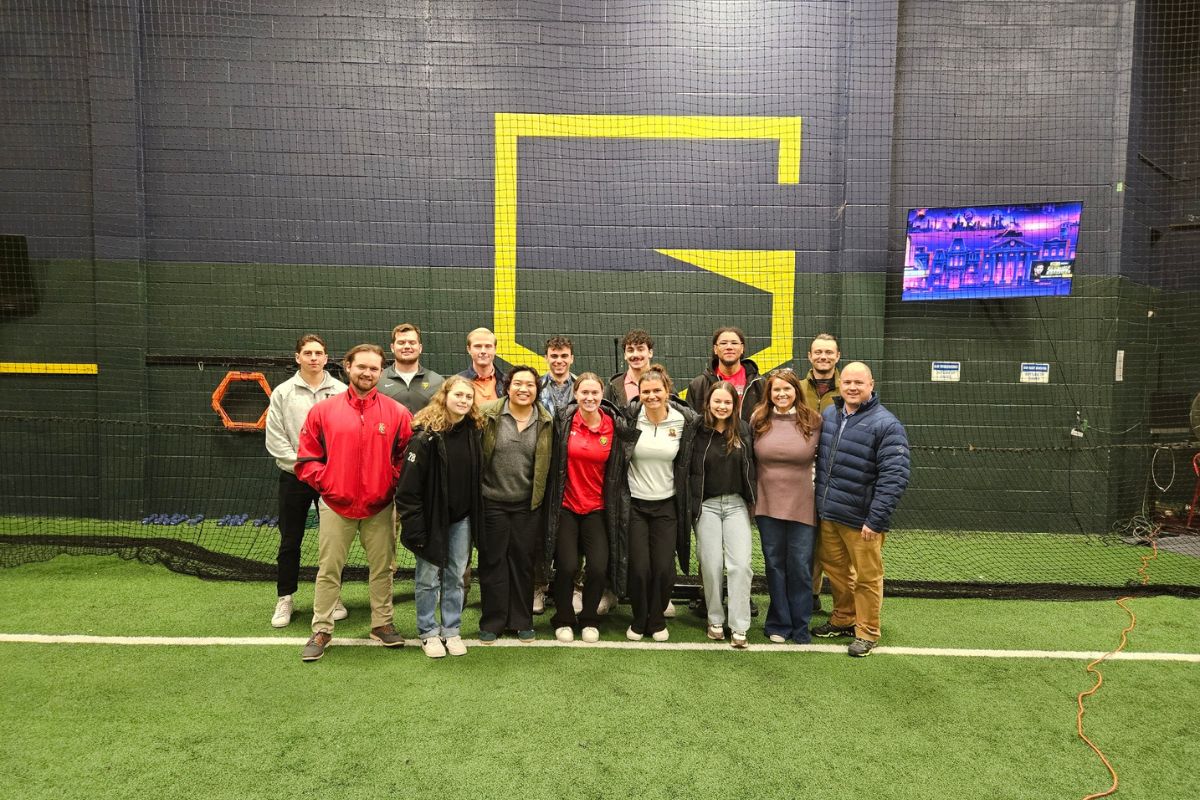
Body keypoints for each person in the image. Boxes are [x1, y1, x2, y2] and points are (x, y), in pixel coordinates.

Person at [295, 344, 413, 662]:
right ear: (348, 367)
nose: (367, 373)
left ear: (380, 372)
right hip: (335, 505)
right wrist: (330, 484)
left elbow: (406, 458)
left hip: (380, 506)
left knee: (384, 569)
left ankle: (382, 624)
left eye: (374, 368)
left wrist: (388, 481)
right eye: (361, 366)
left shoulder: (397, 413)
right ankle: (322, 629)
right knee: (329, 569)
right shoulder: (323, 411)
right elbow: (306, 459)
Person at [812, 362, 910, 657]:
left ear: (871, 385)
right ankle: (844, 618)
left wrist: (876, 519)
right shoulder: (830, 414)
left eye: (859, 382)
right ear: (841, 384)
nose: (853, 387)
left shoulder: (886, 424)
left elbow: (895, 476)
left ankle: (867, 632)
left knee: (867, 577)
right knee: (837, 572)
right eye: (848, 382)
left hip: (862, 521)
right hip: (829, 514)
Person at [395, 376, 484, 659]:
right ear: (444, 396)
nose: (463, 401)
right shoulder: (425, 436)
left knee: (456, 576)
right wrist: (416, 527)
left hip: (462, 519)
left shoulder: (474, 431)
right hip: (432, 520)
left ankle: (451, 630)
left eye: (468, 397)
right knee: (427, 579)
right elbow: (407, 490)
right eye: (458, 395)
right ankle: (428, 633)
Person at [264, 334, 348, 628]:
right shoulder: (283, 393)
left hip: (330, 478)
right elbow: (276, 441)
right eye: (308, 353)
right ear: (297, 357)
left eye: (319, 353)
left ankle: (332, 597)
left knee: (333, 542)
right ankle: (285, 597)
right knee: (290, 540)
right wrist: (303, 467)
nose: (314, 357)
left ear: (326, 358)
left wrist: (328, 469)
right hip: (294, 478)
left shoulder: (341, 391)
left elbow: (347, 436)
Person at [544, 373, 634, 643]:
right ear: (576, 394)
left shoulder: (615, 426)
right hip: (566, 507)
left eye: (595, 392)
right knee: (568, 565)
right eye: (584, 392)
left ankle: (590, 619)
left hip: (598, 509)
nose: (589, 397)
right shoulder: (563, 422)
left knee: (598, 567)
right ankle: (563, 618)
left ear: (602, 394)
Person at [621, 365, 698, 642]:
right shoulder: (630, 419)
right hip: (636, 506)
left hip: (667, 506)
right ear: (639, 394)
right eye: (646, 392)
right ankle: (639, 619)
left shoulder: (683, 422)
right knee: (639, 568)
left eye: (657, 391)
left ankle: (656, 619)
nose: (652, 396)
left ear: (667, 392)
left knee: (664, 568)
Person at [477, 366, 553, 644]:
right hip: (491, 502)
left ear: (537, 390)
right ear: (507, 387)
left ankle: (522, 620)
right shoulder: (487, 414)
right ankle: (493, 621)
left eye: (530, 385)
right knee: (492, 561)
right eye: (518, 384)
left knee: (523, 562)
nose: (524, 389)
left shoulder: (546, 421)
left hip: (527, 505)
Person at [750, 368, 821, 645]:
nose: (781, 394)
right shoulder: (758, 419)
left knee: (801, 567)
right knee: (775, 565)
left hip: (803, 505)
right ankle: (778, 623)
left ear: (796, 391)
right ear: (769, 393)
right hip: (767, 505)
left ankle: (801, 625)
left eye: (787, 389)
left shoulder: (813, 420)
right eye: (776, 389)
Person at [688, 381, 756, 649]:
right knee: (712, 564)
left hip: (737, 505)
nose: (722, 406)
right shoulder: (696, 431)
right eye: (717, 401)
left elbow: (753, 467)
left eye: (727, 402)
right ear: (708, 403)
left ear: (734, 405)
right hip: (707, 507)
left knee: (740, 565)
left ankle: (739, 626)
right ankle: (715, 618)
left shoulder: (744, 430)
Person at [798, 332, 841, 613]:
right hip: (800, 476)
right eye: (818, 352)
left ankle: (839, 606)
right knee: (804, 541)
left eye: (829, 352)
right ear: (809, 356)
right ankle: (806, 594)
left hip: (836, 477)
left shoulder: (848, 387)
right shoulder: (797, 388)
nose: (823, 357)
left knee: (832, 544)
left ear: (837, 356)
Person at [533, 335, 577, 614]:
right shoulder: (535, 386)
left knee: (571, 533)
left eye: (564, 356)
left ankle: (570, 588)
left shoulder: (584, 386)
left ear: (571, 358)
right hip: (542, 469)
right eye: (553, 355)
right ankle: (538, 587)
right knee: (539, 532)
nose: (559, 361)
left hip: (575, 471)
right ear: (546, 357)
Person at [686, 326, 764, 422]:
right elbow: (690, 422)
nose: (729, 347)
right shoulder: (697, 385)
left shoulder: (760, 383)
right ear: (715, 349)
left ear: (742, 348)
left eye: (734, 343)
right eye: (723, 343)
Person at [378, 322, 445, 414]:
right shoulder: (379, 379)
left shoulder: (437, 381)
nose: (407, 346)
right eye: (401, 343)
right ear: (392, 347)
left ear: (420, 348)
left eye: (412, 342)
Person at [604, 329, 654, 408]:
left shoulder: (664, 385)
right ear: (625, 355)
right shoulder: (612, 388)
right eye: (630, 350)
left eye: (640, 349)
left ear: (650, 353)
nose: (635, 355)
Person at [459, 327, 506, 406]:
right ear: (469, 349)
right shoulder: (456, 382)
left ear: (495, 349)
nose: (483, 351)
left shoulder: (507, 382)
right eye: (478, 346)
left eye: (488, 346)